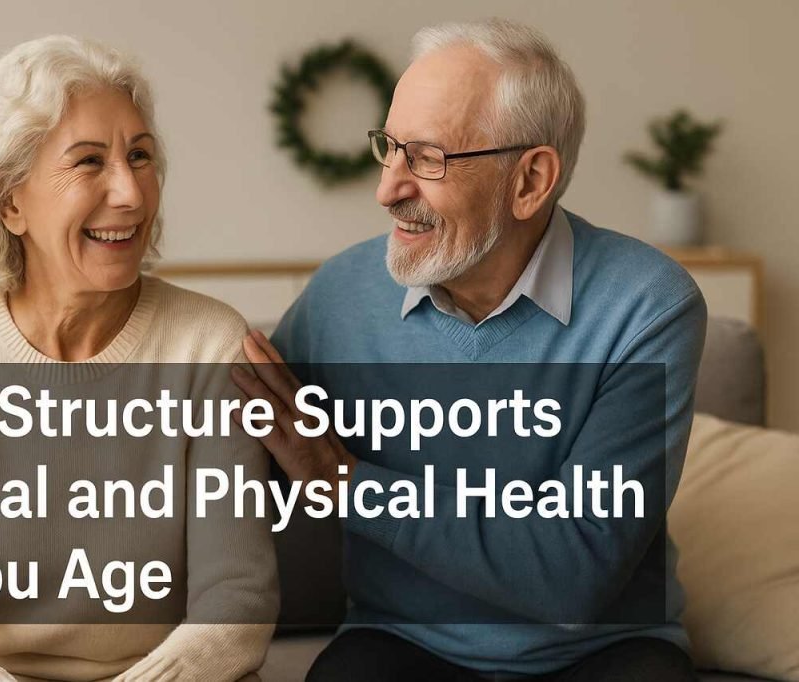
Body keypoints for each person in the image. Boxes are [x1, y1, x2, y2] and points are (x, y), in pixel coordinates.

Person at [233, 18, 705, 682]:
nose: (388, 188)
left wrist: (352, 487)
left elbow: (571, 579)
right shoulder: (340, 295)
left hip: (601, 651)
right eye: (389, 148)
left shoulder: (648, 306)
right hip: (404, 646)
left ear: (530, 181)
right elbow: (238, 461)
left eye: (426, 158)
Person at [0, 35, 277, 682]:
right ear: (9, 201)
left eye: (140, 157)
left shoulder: (209, 345)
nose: (131, 193)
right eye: (89, 162)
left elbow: (237, 604)